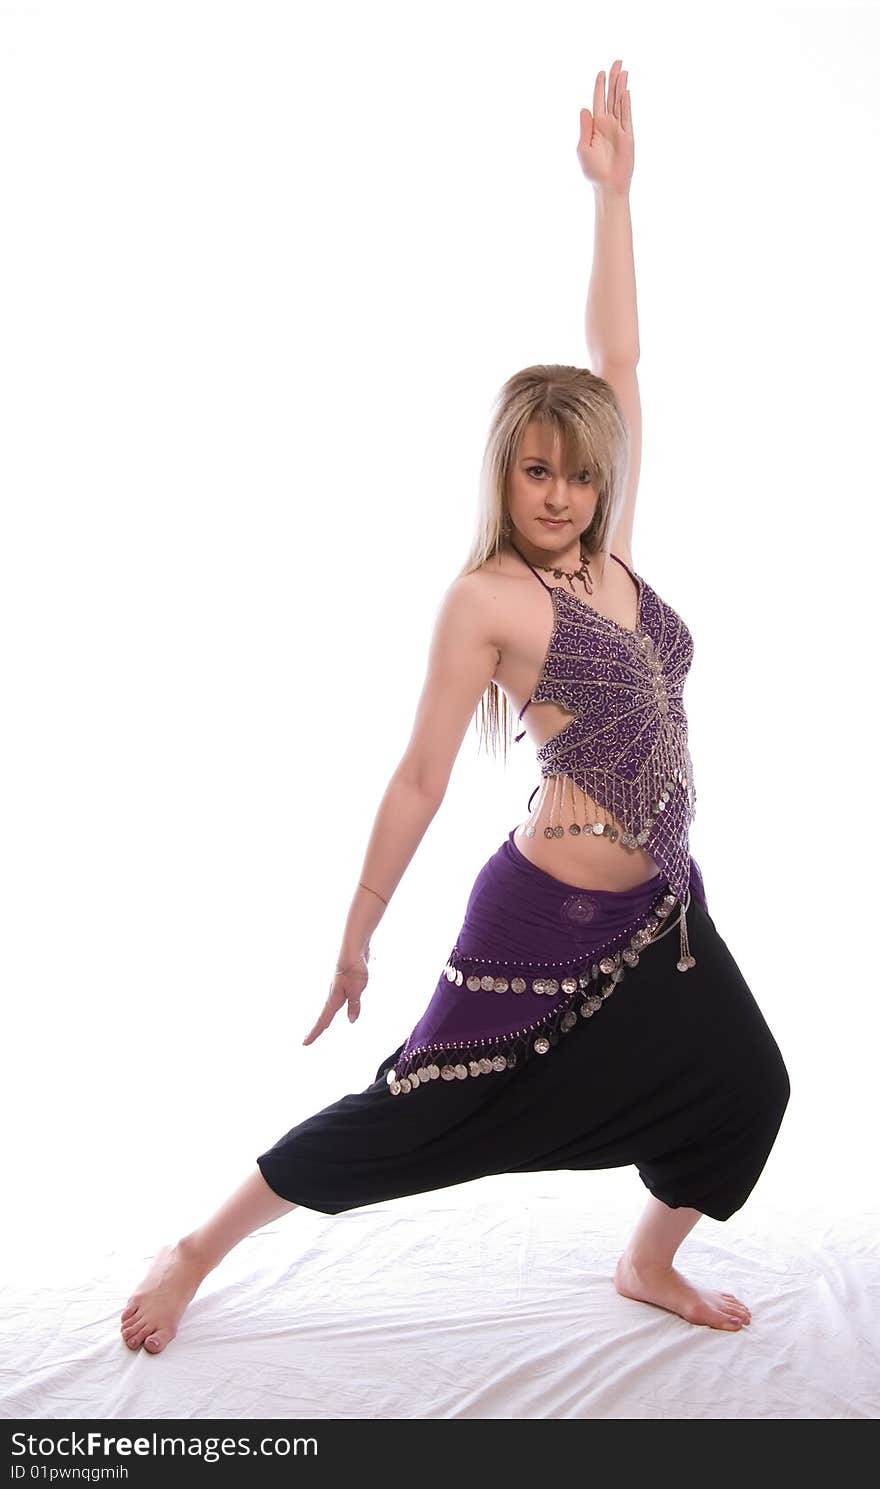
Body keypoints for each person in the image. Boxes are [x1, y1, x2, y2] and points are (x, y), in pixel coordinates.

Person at [120, 59, 789, 1355]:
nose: (560, 491)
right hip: (543, 917)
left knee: (750, 1084)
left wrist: (615, 196)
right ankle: (200, 1244)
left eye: (577, 474)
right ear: (508, 474)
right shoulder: (485, 600)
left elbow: (620, 356)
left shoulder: (612, 554)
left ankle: (647, 1261)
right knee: (408, 1116)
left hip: (661, 908)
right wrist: (359, 932)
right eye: (536, 470)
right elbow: (419, 778)